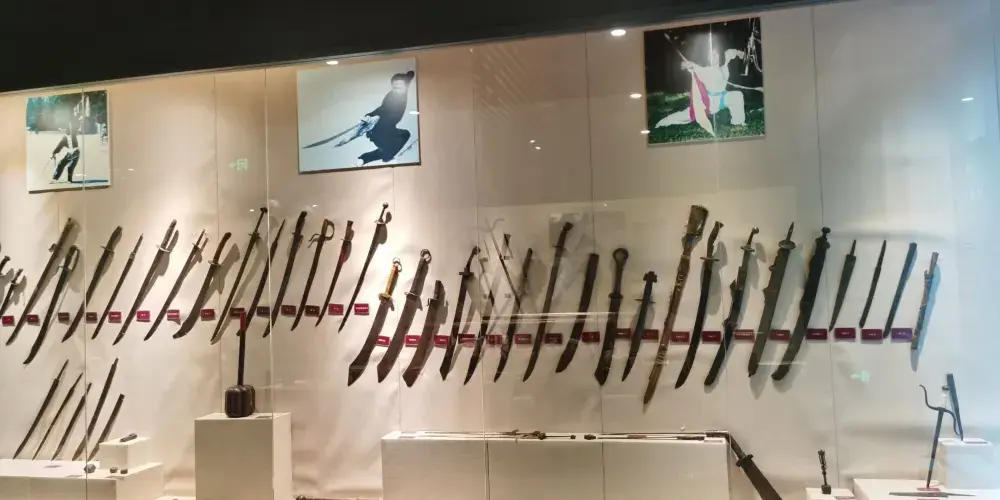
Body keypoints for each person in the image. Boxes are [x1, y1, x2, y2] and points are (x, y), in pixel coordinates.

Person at [654, 44, 747, 135]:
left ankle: (738, 123)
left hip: (723, 96)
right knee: (689, 114)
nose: (713, 57)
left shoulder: (725, 58)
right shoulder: (703, 70)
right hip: (709, 102)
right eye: (710, 55)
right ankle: (663, 122)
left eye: (715, 54)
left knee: (737, 96)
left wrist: (741, 54)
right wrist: (685, 65)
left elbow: (732, 52)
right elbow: (690, 66)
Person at [355, 70, 416, 166]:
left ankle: (363, 159)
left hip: (388, 129)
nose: (398, 90)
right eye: (396, 88)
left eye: (400, 87)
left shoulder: (404, 89)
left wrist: (409, 75)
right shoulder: (392, 96)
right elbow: (382, 108)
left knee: (386, 150)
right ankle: (383, 157)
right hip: (381, 129)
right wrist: (369, 116)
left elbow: (409, 78)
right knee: (404, 136)